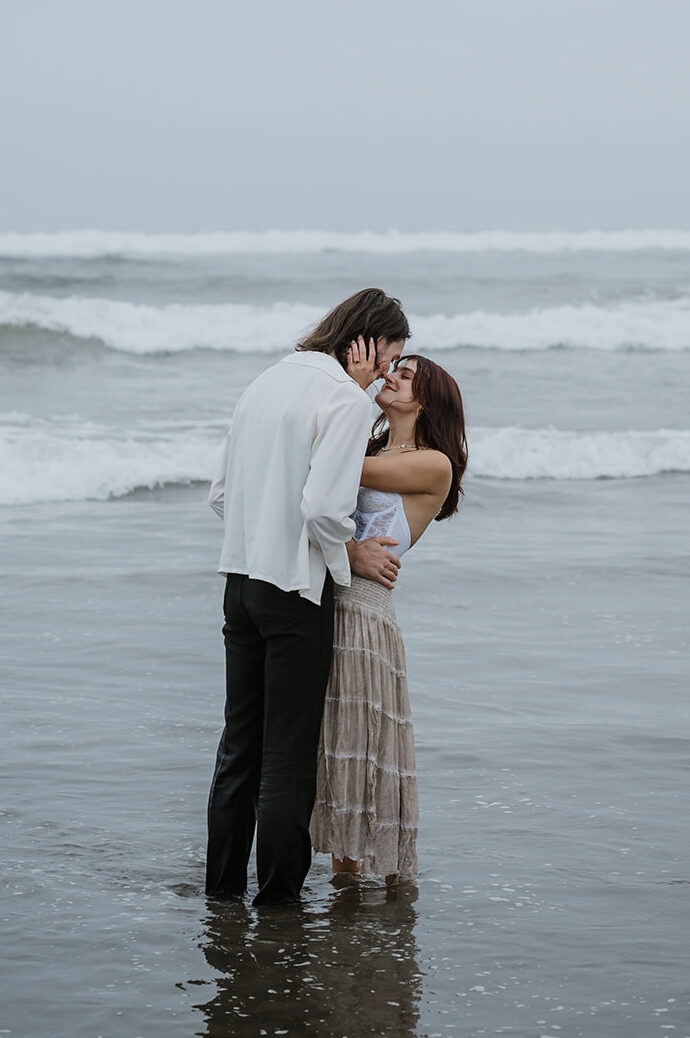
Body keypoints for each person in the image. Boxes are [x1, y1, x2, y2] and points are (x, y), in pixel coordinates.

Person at [205, 288, 410, 906]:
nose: (384, 375)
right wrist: (345, 557)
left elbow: (220, 494)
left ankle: (220, 893)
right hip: (294, 595)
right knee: (288, 761)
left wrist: (265, 535)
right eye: (388, 358)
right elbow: (324, 509)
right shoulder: (341, 398)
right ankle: (277, 905)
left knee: (238, 747)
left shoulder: (265, 382)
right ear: (364, 342)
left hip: (238, 586)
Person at [310, 345, 468, 884]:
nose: (391, 378)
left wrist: (353, 382)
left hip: (363, 613)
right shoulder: (375, 443)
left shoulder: (432, 463)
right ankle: (345, 879)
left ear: (429, 402)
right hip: (330, 598)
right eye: (392, 370)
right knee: (336, 742)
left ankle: (359, 888)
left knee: (359, 742)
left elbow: (331, 464)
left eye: (405, 376)